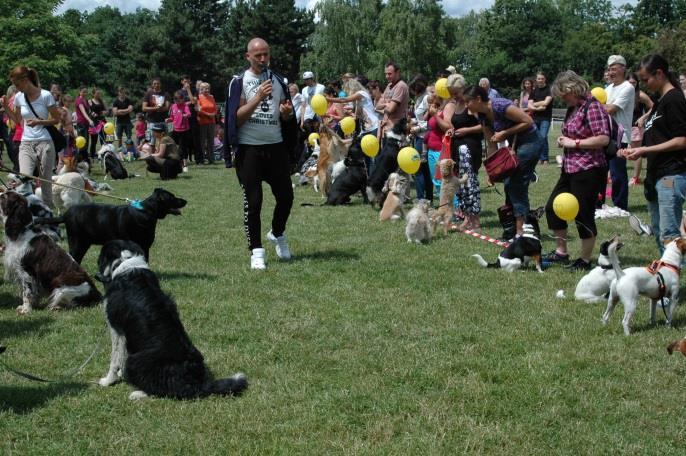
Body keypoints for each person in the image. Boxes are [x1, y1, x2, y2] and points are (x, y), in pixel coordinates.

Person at [225, 37, 295, 270]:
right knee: (253, 202)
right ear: (248, 57)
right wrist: (257, 97)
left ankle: (277, 233)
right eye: (258, 56)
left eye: (266, 54)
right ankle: (256, 251)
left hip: (275, 146)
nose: (263, 59)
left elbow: (286, 115)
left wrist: (286, 114)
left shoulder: (278, 81)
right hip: (249, 149)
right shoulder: (239, 81)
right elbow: (235, 118)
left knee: (286, 197)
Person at [542, 70, 611, 271]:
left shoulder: (593, 107)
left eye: (564, 94)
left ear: (572, 88)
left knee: (583, 214)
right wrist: (565, 141)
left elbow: (603, 138)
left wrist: (575, 142)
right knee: (552, 208)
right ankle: (561, 252)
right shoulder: (574, 108)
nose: (562, 99)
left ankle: (585, 259)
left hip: (589, 169)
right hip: (570, 167)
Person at [621, 54, 686, 252]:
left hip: (670, 175)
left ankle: (673, 275)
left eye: (646, 79)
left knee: (669, 233)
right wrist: (638, 152)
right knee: (659, 230)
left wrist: (645, 149)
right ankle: (665, 274)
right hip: (656, 173)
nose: (644, 84)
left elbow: (681, 140)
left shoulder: (674, 99)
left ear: (659, 73)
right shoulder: (660, 101)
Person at [464, 85, 541, 236]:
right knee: (508, 184)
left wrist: (505, 133)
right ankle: (517, 226)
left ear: (478, 99)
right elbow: (491, 144)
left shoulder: (500, 105)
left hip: (530, 142)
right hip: (514, 145)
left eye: (468, 102)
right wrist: (492, 172)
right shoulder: (481, 116)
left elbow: (528, 121)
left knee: (515, 184)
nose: (466, 105)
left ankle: (521, 231)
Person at [1, 66, 63, 207]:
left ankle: (47, 215)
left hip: (45, 142)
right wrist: (5, 106)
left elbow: (57, 119)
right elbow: (17, 120)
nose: (16, 88)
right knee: (24, 178)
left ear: (25, 80)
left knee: (45, 181)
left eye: (17, 84)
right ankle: (24, 213)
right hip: (26, 143)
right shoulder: (18, 97)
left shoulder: (46, 95)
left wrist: (39, 122)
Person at [446, 74, 483, 231]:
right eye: (451, 93)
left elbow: (485, 126)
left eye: (456, 92)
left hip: (470, 149)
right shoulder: (456, 105)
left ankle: (476, 221)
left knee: (470, 184)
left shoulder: (471, 105)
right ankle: (467, 218)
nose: (454, 96)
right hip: (457, 150)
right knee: (461, 186)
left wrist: (467, 130)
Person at [604, 55, 634, 210]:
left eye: (614, 69)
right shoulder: (608, 88)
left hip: (620, 136)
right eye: (610, 69)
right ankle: (598, 203)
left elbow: (610, 109)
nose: (611, 72)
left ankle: (620, 206)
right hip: (604, 135)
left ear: (623, 69)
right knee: (601, 171)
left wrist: (595, 107)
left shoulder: (628, 88)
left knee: (617, 173)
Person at [627, 72, 654, 185]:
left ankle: (635, 178)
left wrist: (643, 117)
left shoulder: (640, 95)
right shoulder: (623, 93)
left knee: (636, 153)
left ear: (637, 83)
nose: (631, 85)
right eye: (629, 83)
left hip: (636, 127)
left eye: (634, 83)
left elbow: (653, 106)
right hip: (624, 127)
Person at [375, 61, 410, 138]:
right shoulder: (389, 85)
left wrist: (386, 106)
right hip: (386, 130)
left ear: (397, 72)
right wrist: (386, 104)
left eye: (390, 74)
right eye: (386, 74)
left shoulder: (400, 86)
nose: (387, 76)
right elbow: (377, 106)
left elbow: (391, 109)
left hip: (396, 130)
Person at [528, 72, 553, 165]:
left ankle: (545, 158)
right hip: (535, 118)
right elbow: (529, 105)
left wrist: (534, 104)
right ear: (536, 79)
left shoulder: (549, 90)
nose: (540, 80)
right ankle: (540, 158)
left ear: (545, 79)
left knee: (542, 136)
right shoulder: (534, 91)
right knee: (537, 138)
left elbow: (546, 103)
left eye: (542, 78)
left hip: (545, 118)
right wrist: (537, 107)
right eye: (538, 78)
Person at [167, 90, 192, 171]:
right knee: (175, 147)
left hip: (184, 130)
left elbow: (189, 114)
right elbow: (172, 118)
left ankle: (185, 164)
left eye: (178, 99)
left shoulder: (185, 106)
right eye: (175, 99)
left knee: (183, 147)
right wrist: (168, 120)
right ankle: (177, 162)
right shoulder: (173, 106)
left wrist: (185, 115)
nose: (177, 101)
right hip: (175, 130)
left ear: (182, 99)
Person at [143, 78, 170, 145]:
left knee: (164, 141)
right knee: (151, 142)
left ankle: (163, 154)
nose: (156, 85)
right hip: (152, 121)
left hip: (163, 121)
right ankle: (152, 155)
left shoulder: (165, 94)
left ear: (160, 84)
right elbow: (144, 108)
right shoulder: (148, 94)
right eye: (154, 83)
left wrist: (160, 108)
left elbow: (167, 107)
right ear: (152, 85)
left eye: (158, 83)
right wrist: (155, 108)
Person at [197, 82, 217, 164]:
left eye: (208, 88)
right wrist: (208, 114)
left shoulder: (212, 97)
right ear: (200, 89)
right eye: (204, 88)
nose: (206, 90)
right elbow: (198, 110)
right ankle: (202, 159)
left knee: (211, 141)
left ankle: (211, 159)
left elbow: (215, 108)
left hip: (212, 122)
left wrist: (214, 114)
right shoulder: (198, 97)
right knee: (202, 141)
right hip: (202, 122)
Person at [74, 85, 93, 162]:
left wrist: (93, 115)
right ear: (80, 92)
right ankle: (79, 160)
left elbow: (89, 112)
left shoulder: (86, 100)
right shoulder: (79, 100)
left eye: (86, 92)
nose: (85, 93)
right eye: (83, 92)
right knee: (81, 143)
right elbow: (83, 112)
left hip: (86, 124)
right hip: (81, 123)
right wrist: (89, 120)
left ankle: (84, 159)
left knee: (86, 142)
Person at [88, 88, 107, 159]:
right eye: (97, 93)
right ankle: (92, 154)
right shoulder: (89, 101)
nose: (99, 95)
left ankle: (103, 153)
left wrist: (105, 112)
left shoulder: (101, 101)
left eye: (99, 93)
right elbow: (89, 111)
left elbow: (105, 110)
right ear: (93, 94)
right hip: (94, 123)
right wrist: (94, 115)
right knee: (94, 140)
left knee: (103, 139)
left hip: (102, 122)